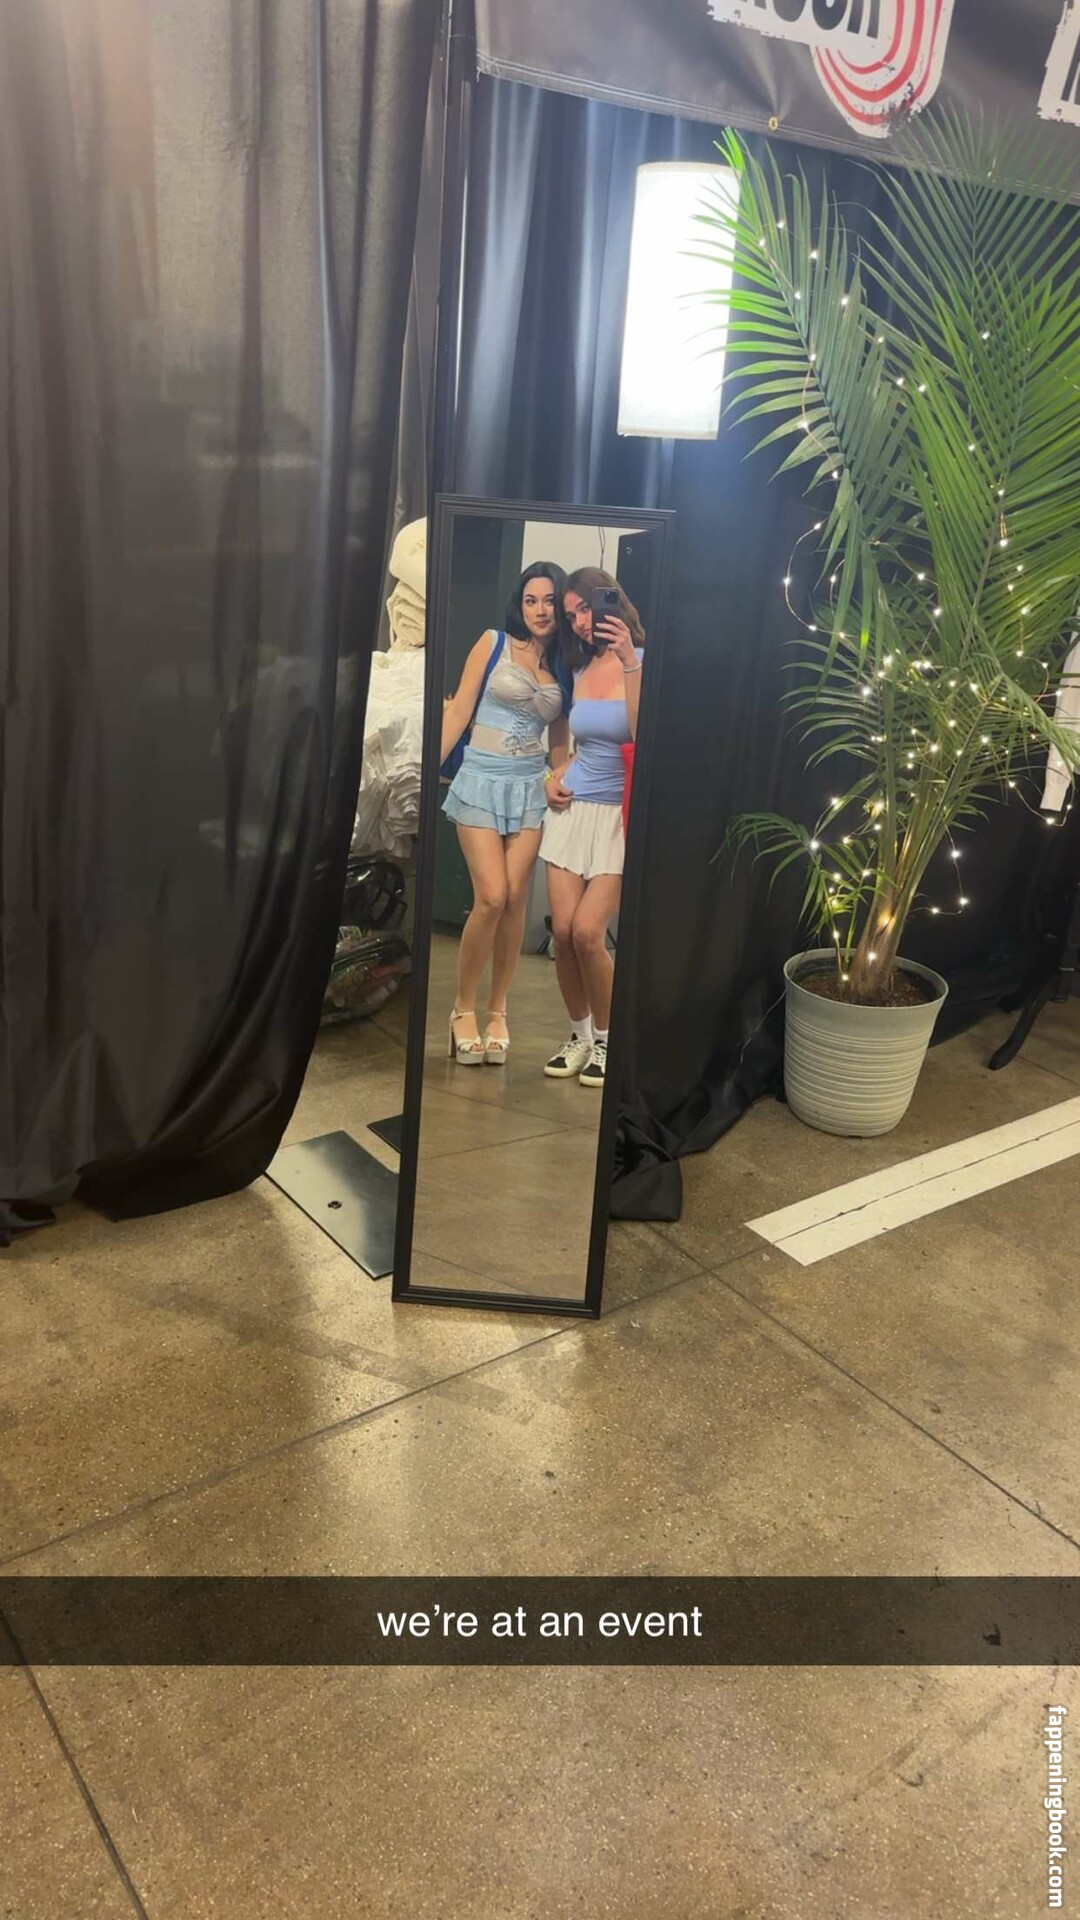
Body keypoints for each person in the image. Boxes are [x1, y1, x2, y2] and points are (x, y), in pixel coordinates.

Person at [440, 563, 571, 1065]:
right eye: (531, 600)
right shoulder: (493, 642)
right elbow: (459, 710)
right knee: (491, 896)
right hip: (480, 779)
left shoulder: (564, 663)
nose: (540, 610)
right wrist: (425, 773)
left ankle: (498, 1009)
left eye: (550, 600)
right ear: (520, 604)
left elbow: (558, 736)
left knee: (516, 898)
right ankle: (462, 1008)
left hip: (529, 789)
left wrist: (556, 777)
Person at [539, 567, 644, 1089]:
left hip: (616, 818)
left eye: (586, 608)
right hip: (570, 810)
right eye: (571, 614)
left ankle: (608, 1039)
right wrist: (551, 776)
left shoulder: (641, 661)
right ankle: (580, 1035)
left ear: (612, 601)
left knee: (587, 932)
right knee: (561, 932)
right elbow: (577, 744)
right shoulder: (579, 668)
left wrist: (629, 660)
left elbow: (645, 737)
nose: (581, 621)